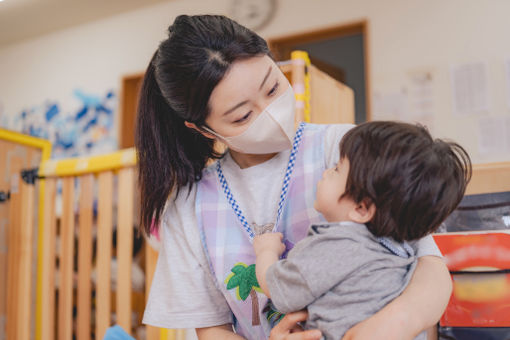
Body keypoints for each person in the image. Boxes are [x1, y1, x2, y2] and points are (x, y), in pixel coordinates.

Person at [138, 14, 453, 340]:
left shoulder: (346, 151)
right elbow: (211, 330)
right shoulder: (191, 205)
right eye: (243, 115)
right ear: (201, 128)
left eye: (273, 87)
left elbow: (430, 266)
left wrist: (390, 325)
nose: (271, 113)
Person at [253, 121, 472, 340]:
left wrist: (266, 252)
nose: (327, 172)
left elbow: (279, 291)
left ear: (361, 208)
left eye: (337, 169)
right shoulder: (401, 246)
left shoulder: (335, 247)